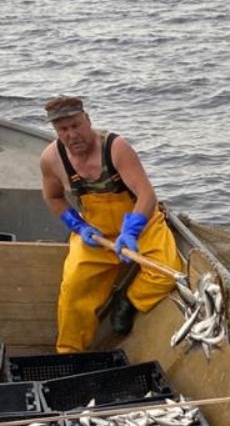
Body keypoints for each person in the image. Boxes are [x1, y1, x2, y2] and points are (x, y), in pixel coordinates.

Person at [39, 95, 179, 353]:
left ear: (87, 120)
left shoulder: (115, 147)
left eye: (76, 125)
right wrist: (78, 226)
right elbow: (52, 197)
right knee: (73, 290)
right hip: (96, 232)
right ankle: (69, 352)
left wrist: (131, 230)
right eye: (63, 129)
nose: (72, 135)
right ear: (56, 131)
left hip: (140, 222)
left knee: (166, 272)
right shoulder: (51, 158)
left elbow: (147, 195)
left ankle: (127, 300)